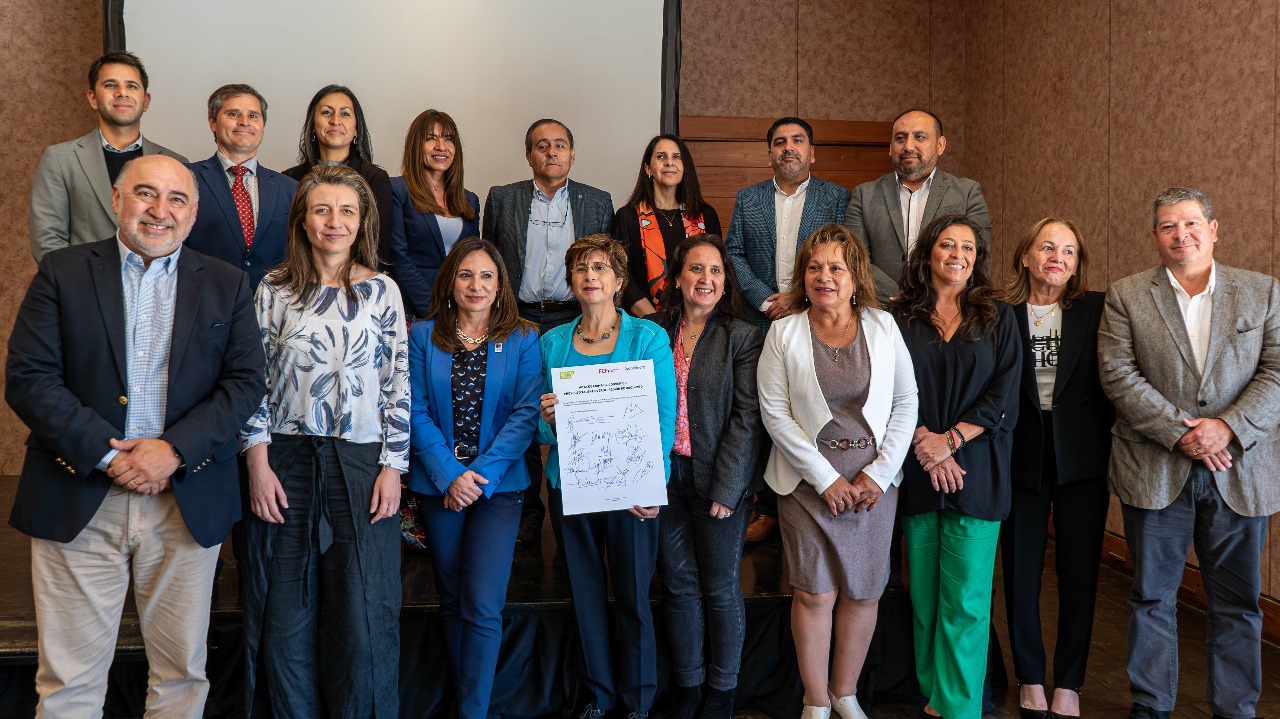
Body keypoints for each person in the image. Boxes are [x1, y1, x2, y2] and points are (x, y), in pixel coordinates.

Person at [6, 154, 265, 717]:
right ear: (117, 201)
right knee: (69, 683)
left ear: (193, 213)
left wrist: (172, 451)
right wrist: (108, 455)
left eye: (176, 199)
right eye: (145, 193)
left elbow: (245, 385)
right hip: (77, 494)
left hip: (185, 500)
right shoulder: (63, 272)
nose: (159, 210)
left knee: (180, 679)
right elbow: (29, 378)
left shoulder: (227, 283)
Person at [1098, 187, 1280, 719]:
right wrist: (1181, 434)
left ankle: (1236, 708)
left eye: (1192, 223)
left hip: (1240, 470)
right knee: (1152, 597)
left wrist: (1227, 427)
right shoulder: (1127, 295)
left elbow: (1276, 371)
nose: (1182, 234)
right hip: (1155, 468)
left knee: (1238, 605)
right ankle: (1151, 705)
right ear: (1155, 236)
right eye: (1168, 226)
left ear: (1214, 228)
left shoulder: (1262, 292)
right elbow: (1117, 373)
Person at [238, 165, 409, 718]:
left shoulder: (383, 291)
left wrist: (393, 467)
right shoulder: (273, 289)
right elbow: (252, 380)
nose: (334, 222)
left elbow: (397, 380)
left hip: (362, 464)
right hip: (285, 463)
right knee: (286, 616)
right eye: (322, 210)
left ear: (363, 223)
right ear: (303, 221)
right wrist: (257, 464)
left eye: (347, 212)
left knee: (361, 617)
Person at [758, 224, 919, 719]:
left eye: (835, 268)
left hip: (873, 483)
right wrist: (826, 479)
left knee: (864, 590)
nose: (823, 276)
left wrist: (878, 473)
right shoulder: (783, 331)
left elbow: (905, 400)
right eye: (813, 267)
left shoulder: (883, 326)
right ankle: (815, 702)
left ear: (855, 278)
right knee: (813, 591)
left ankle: (845, 694)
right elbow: (774, 412)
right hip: (808, 483)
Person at [536, 234, 676, 719]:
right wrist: (547, 415)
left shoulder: (647, 337)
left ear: (619, 281)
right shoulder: (552, 343)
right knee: (586, 595)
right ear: (571, 282)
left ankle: (639, 699)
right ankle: (599, 695)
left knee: (635, 595)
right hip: (569, 486)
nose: (590, 275)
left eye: (600, 267)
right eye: (580, 268)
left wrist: (651, 484)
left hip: (632, 490)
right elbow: (536, 424)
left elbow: (663, 415)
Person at [890, 213, 1020, 719]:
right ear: (928, 254)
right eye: (947, 245)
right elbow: (891, 390)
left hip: (978, 470)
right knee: (924, 600)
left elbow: (1004, 397)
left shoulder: (998, 315)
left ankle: (959, 708)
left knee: (965, 602)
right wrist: (926, 442)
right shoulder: (900, 318)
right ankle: (933, 700)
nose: (958, 255)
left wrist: (948, 441)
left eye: (968, 248)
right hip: (919, 468)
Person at [407, 237, 541, 719]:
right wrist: (450, 476)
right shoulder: (422, 336)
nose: (476, 285)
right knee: (451, 600)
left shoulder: (524, 338)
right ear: (450, 282)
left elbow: (525, 415)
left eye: (487, 275)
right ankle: (464, 698)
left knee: (482, 605)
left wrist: (476, 477)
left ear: (501, 284)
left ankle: (474, 712)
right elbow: (414, 410)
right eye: (466, 275)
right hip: (439, 486)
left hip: (497, 488)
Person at [999, 218, 1113, 719]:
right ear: (1026, 256)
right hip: (1020, 455)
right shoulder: (1002, 315)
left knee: (1079, 573)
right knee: (1021, 571)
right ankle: (1029, 677)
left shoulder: (1098, 310)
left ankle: (1069, 682)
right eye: (1048, 247)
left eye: (1069, 250)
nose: (1058, 258)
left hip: (1083, 459)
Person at [482, 118, 614, 548]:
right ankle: (526, 511)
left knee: (573, 411)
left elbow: (606, 267)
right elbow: (491, 262)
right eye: (542, 146)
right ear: (529, 155)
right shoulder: (503, 199)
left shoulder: (598, 202)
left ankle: (580, 500)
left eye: (560, 145)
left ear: (572, 155)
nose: (551, 152)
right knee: (521, 409)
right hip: (517, 318)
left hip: (573, 319)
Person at [652, 235, 763, 719]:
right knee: (677, 587)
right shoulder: (653, 331)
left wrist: (728, 487)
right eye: (696, 269)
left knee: (719, 588)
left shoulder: (742, 335)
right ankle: (689, 685)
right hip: (663, 476)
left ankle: (722, 689)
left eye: (715, 271)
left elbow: (747, 417)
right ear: (677, 278)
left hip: (717, 479)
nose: (706, 279)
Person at [724, 117, 849, 543]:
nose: (788, 148)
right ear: (770, 153)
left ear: (812, 152)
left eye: (797, 141)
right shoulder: (748, 198)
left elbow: (842, 257)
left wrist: (799, 298)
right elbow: (734, 253)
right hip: (759, 322)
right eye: (780, 142)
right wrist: (766, 300)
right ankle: (764, 505)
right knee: (761, 410)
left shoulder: (837, 198)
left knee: (808, 406)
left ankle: (809, 492)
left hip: (818, 317)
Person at [29, 51, 188, 262]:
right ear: (93, 98)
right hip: (85, 287)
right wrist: (80, 286)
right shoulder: (60, 159)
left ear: (145, 100)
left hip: (157, 289)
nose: (122, 93)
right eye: (111, 85)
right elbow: (47, 240)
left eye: (132, 86)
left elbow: (183, 236)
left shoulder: (177, 163)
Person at [844, 109, 991, 300]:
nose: (908, 146)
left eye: (920, 137)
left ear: (940, 145)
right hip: (883, 311)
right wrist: (901, 298)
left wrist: (930, 297)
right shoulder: (864, 195)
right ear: (890, 147)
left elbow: (978, 256)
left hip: (946, 310)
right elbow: (855, 259)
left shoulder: (967, 193)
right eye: (900, 138)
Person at [186, 83, 298, 289]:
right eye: (233, 114)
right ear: (212, 121)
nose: (244, 122)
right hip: (203, 308)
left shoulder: (290, 189)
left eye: (254, 116)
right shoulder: (185, 179)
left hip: (269, 312)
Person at [282, 84, 393, 265]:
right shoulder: (289, 179)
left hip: (360, 279)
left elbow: (379, 246)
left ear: (357, 128)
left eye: (345, 114)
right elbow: (286, 241)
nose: (335, 120)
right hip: (301, 277)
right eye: (326, 112)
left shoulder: (375, 179)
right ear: (312, 125)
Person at [613, 134, 722, 316]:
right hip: (646, 321)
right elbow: (622, 275)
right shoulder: (627, 216)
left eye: (676, 157)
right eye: (661, 156)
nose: (669, 162)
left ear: (684, 167)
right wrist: (655, 321)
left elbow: (718, 270)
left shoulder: (705, 214)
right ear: (648, 168)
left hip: (700, 318)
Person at [390, 109, 480, 320]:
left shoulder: (470, 200)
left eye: (448, 139)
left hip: (460, 310)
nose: (441, 146)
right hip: (412, 310)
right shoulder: (396, 190)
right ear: (416, 146)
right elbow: (398, 258)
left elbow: (472, 259)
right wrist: (432, 311)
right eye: (431, 139)